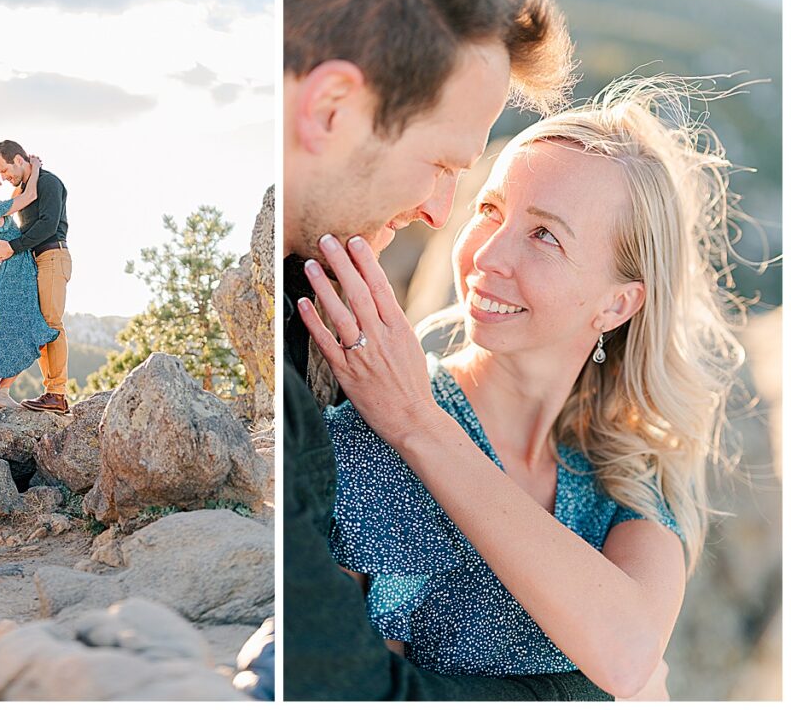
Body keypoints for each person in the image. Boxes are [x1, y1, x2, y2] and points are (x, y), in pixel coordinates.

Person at [301, 76, 744, 700]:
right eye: (488, 210)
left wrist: (419, 426)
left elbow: (628, 652)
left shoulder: (628, 476)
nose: (486, 256)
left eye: (544, 235)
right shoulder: (367, 448)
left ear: (617, 304)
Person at [283, 0, 609, 701]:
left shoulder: (321, 292)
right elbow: (338, 688)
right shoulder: (312, 369)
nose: (440, 212)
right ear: (331, 107)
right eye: (439, 162)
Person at [0, 156, 59, 417]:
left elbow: (20, 197)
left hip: (10, 273)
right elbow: (29, 197)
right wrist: (35, 168)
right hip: (17, 273)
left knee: (6, 339)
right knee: (33, 334)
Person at [0, 140, 71, 414]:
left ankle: (57, 393)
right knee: (39, 326)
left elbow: (48, 224)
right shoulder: (26, 187)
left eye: (5, 169)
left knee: (51, 323)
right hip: (35, 262)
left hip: (51, 256)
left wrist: (14, 246)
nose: (4, 177)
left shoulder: (50, 183)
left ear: (19, 160)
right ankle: (52, 392)